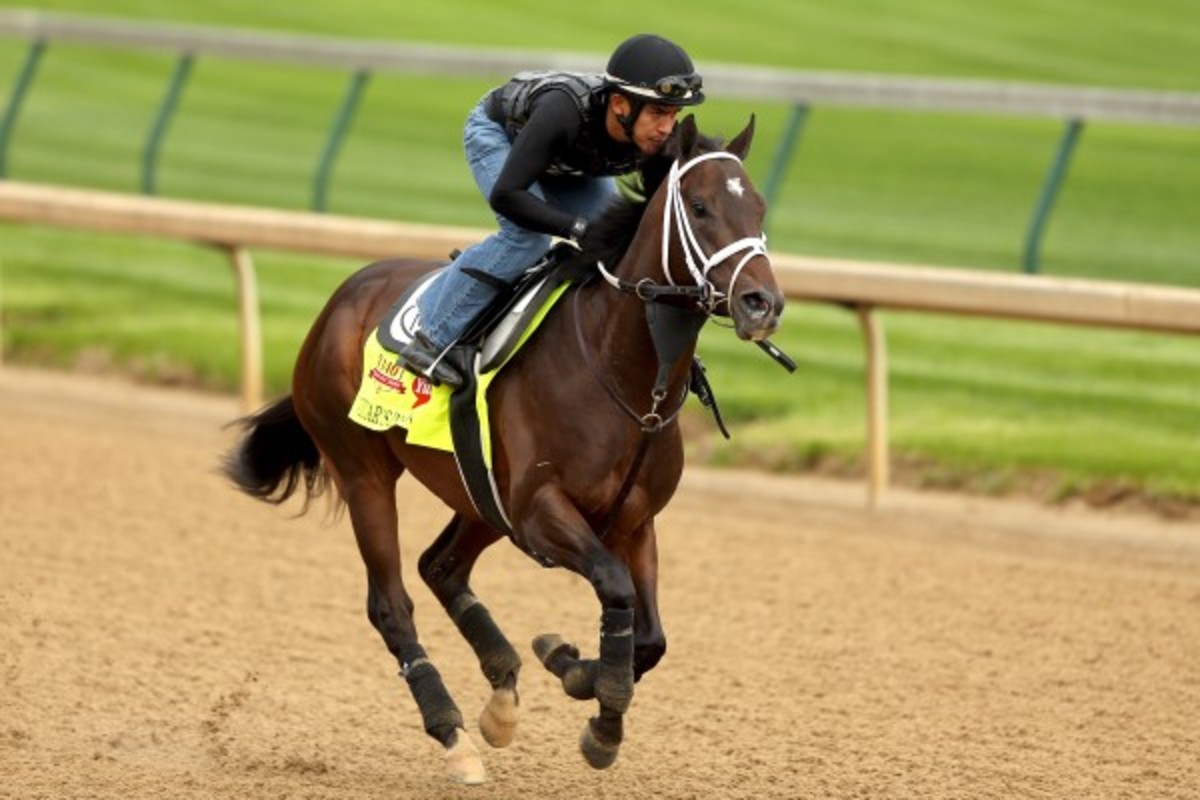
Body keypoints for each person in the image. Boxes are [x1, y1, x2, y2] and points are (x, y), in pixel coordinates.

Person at [399, 33, 706, 388]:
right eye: (657, 113)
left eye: (674, 114)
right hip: (502, 137)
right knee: (525, 239)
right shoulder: (562, 112)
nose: (667, 128)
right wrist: (574, 227)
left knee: (621, 241)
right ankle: (431, 339)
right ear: (621, 104)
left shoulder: (658, 138)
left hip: (571, 163)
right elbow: (507, 195)